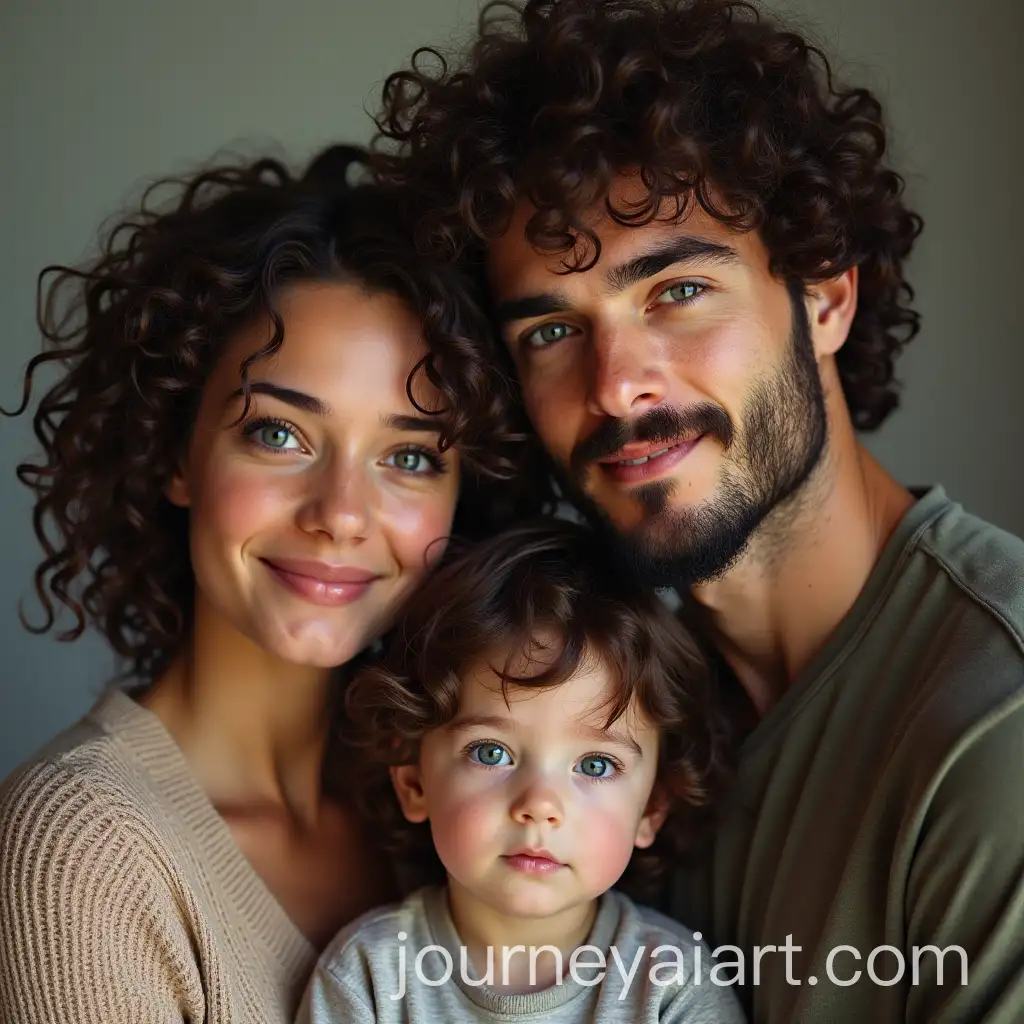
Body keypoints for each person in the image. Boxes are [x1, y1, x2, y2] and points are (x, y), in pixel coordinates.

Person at [370, 0, 1024, 1020]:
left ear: (824, 295)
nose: (617, 385)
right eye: (550, 330)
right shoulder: (598, 698)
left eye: (674, 291)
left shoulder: (997, 721)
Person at [0, 145, 541, 1023]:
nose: (341, 513)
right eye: (280, 435)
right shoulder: (82, 845)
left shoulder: (457, 806)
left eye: (408, 456)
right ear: (178, 451)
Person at [296, 518, 746, 1023]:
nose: (540, 805)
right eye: (491, 753)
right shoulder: (369, 976)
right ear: (414, 781)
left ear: (652, 809)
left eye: (596, 764)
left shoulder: (673, 987)